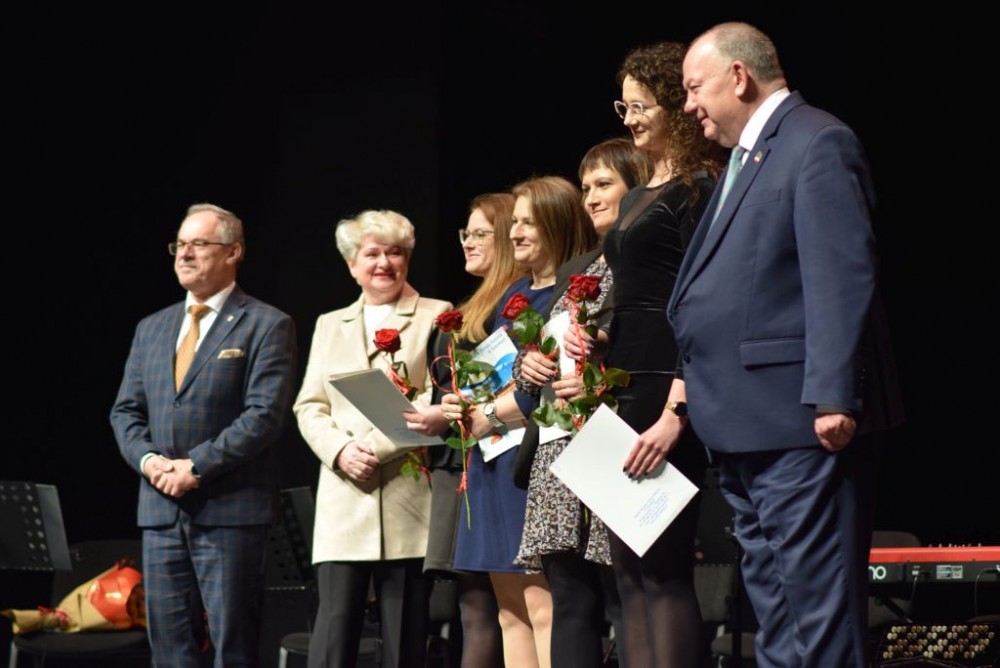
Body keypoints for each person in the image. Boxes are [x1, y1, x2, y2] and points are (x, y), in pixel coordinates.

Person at [665, 22, 904, 668]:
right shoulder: (747, 159)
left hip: (799, 425)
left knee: (818, 620)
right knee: (778, 618)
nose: (688, 105)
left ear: (738, 77)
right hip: (746, 428)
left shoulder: (816, 141)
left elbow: (841, 275)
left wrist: (834, 395)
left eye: (694, 88)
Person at [110, 202, 298, 667]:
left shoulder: (267, 323)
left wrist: (195, 466)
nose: (184, 254)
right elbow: (126, 412)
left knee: (233, 648)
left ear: (233, 252)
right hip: (161, 510)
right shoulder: (152, 328)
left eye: (199, 243)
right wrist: (150, 462)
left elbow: (264, 415)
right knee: (170, 650)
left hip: (229, 511)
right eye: (179, 244)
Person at [602, 41, 726, 668]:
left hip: (664, 391)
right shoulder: (634, 198)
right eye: (623, 107)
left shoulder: (698, 188)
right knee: (626, 571)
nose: (629, 119)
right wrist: (597, 337)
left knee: (663, 567)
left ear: (675, 105)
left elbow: (702, 306)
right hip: (623, 388)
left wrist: (678, 410)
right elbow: (633, 294)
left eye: (640, 105)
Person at [443, 175, 597, 668]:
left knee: (541, 604)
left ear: (557, 222)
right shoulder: (514, 293)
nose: (516, 233)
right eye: (515, 223)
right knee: (509, 610)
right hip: (492, 460)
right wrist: (463, 405)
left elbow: (544, 388)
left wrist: (488, 413)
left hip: (531, 461)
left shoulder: (572, 294)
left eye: (528, 222)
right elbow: (495, 376)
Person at [512, 137, 651, 668]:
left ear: (637, 188)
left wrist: (600, 376)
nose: (590, 197)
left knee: (625, 595)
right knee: (570, 599)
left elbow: (654, 349)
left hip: (615, 443)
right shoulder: (577, 271)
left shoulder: (647, 263)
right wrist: (529, 366)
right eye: (586, 186)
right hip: (558, 452)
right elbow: (546, 354)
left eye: (604, 184)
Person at [293, 209, 452, 668]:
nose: (384, 263)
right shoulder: (330, 323)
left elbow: (435, 397)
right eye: (372, 253)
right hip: (345, 495)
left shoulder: (437, 314)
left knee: (405, 640)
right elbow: (309, 405)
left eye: (395, 252)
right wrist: (341, 450)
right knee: (333, 635)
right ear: (352, 264)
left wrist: (375, 449)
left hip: (407, 495)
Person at [406, 192, 522, 668]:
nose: (468, 243)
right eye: (465, 234)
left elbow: (518, 386)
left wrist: (456, 411)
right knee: (473, 603)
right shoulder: (469, 307)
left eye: (480, 234)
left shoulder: (518, 304)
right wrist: (439, 408)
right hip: (461, 461)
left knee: (510, 603)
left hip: (502, 457)